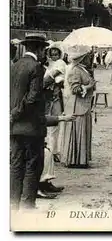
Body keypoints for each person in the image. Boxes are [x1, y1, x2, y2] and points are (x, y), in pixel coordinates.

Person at [10, 33, 49, 210]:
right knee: (33, 165)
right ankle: (27, 205)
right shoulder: (37, 67)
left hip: (14, 127)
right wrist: (16, 113)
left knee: (16, 165)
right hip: (31, 126)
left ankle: (13, 202)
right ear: (39, 49)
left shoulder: (14, 66)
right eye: (44, 50)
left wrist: (11, 115)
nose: (45, 54)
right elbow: (32, 99)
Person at [61, 45, 96, 168]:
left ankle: (81, 159)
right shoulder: (75, 70)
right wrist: (88, 86)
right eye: (88, 57)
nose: (90, 59)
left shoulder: (84, 69)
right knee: (77, 132)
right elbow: (75, 88)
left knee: (83, 131)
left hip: (84, 105)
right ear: (82, 58)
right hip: (77, 106)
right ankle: (75, 160)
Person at [44, 42, 67, 161]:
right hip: (48, 96)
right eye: (52, 54)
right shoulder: (50, 64)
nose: (54, 56)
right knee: (49, 124)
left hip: (55, 95)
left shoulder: (60, 63)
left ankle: (53, 151)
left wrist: (43, 83)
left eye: (56, 54)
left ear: (60, 54)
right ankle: (50, 150)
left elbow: (52, 78)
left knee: (54, 124)